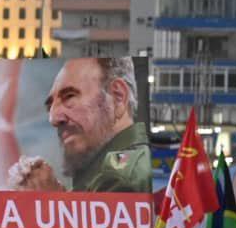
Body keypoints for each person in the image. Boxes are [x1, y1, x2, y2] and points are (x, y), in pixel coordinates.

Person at [8, 57, 150, 194]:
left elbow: (100, 218)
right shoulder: (102, 175)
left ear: (118, 97)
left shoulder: (119, 178)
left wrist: (51, 200)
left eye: (69, 96)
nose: (53, 119)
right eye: (50, 106)